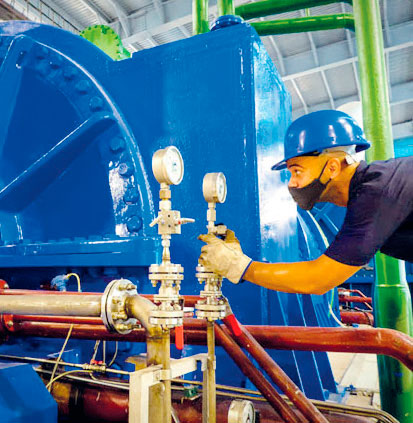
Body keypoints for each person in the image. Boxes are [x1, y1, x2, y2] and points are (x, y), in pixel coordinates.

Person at [199, 110, 413, 295]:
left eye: (297, 171)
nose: (292, 182)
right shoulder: (373, 188)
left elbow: (318, 279)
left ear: (332, 168)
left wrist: (239, 266)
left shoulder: (376, 192)